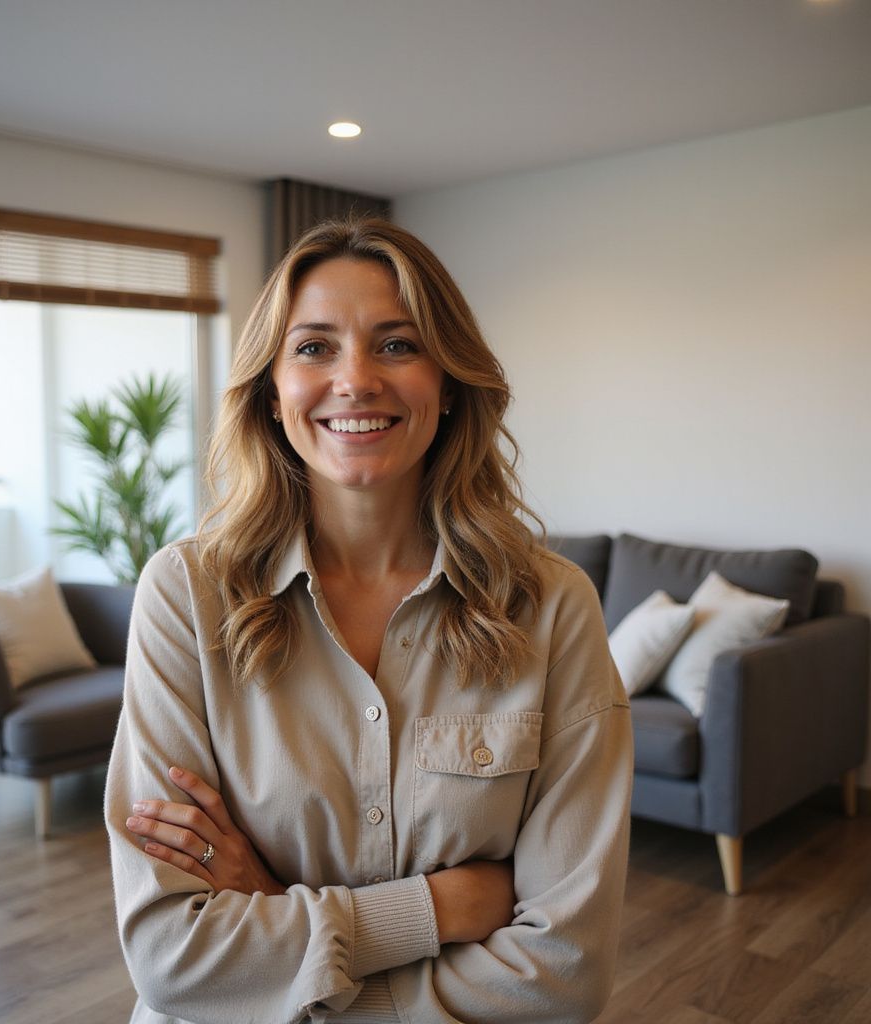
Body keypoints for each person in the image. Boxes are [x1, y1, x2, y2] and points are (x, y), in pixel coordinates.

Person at [104, 218, 633, 1024]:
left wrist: (278, 914)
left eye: (396, 345)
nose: (355, 380)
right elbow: (175, 960)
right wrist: (442, 907)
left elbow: (564, 976)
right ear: (271, 392)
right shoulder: (185, 593)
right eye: (314, 347)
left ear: (448, 383)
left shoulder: (553, 606)